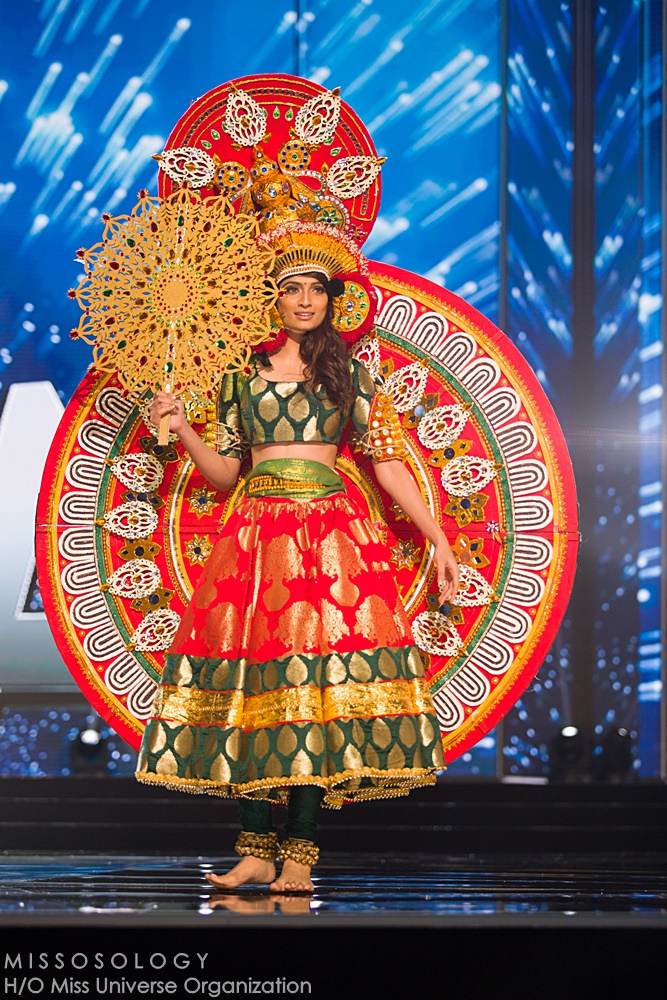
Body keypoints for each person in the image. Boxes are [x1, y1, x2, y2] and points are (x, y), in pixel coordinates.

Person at [136, 236, 459, 894]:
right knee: (259, 691)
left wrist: (439, 539)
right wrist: (183, 426)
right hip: (255, 542)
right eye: (291, 288)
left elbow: (389, 466)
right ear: (273, 298)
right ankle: (255, 850)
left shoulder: (352, 377)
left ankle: (300, 854)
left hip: (332, 542)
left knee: (317, 696)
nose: (304, 299)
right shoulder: (237, 377)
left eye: (316, 288)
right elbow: (227, 476)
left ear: (333, 301)